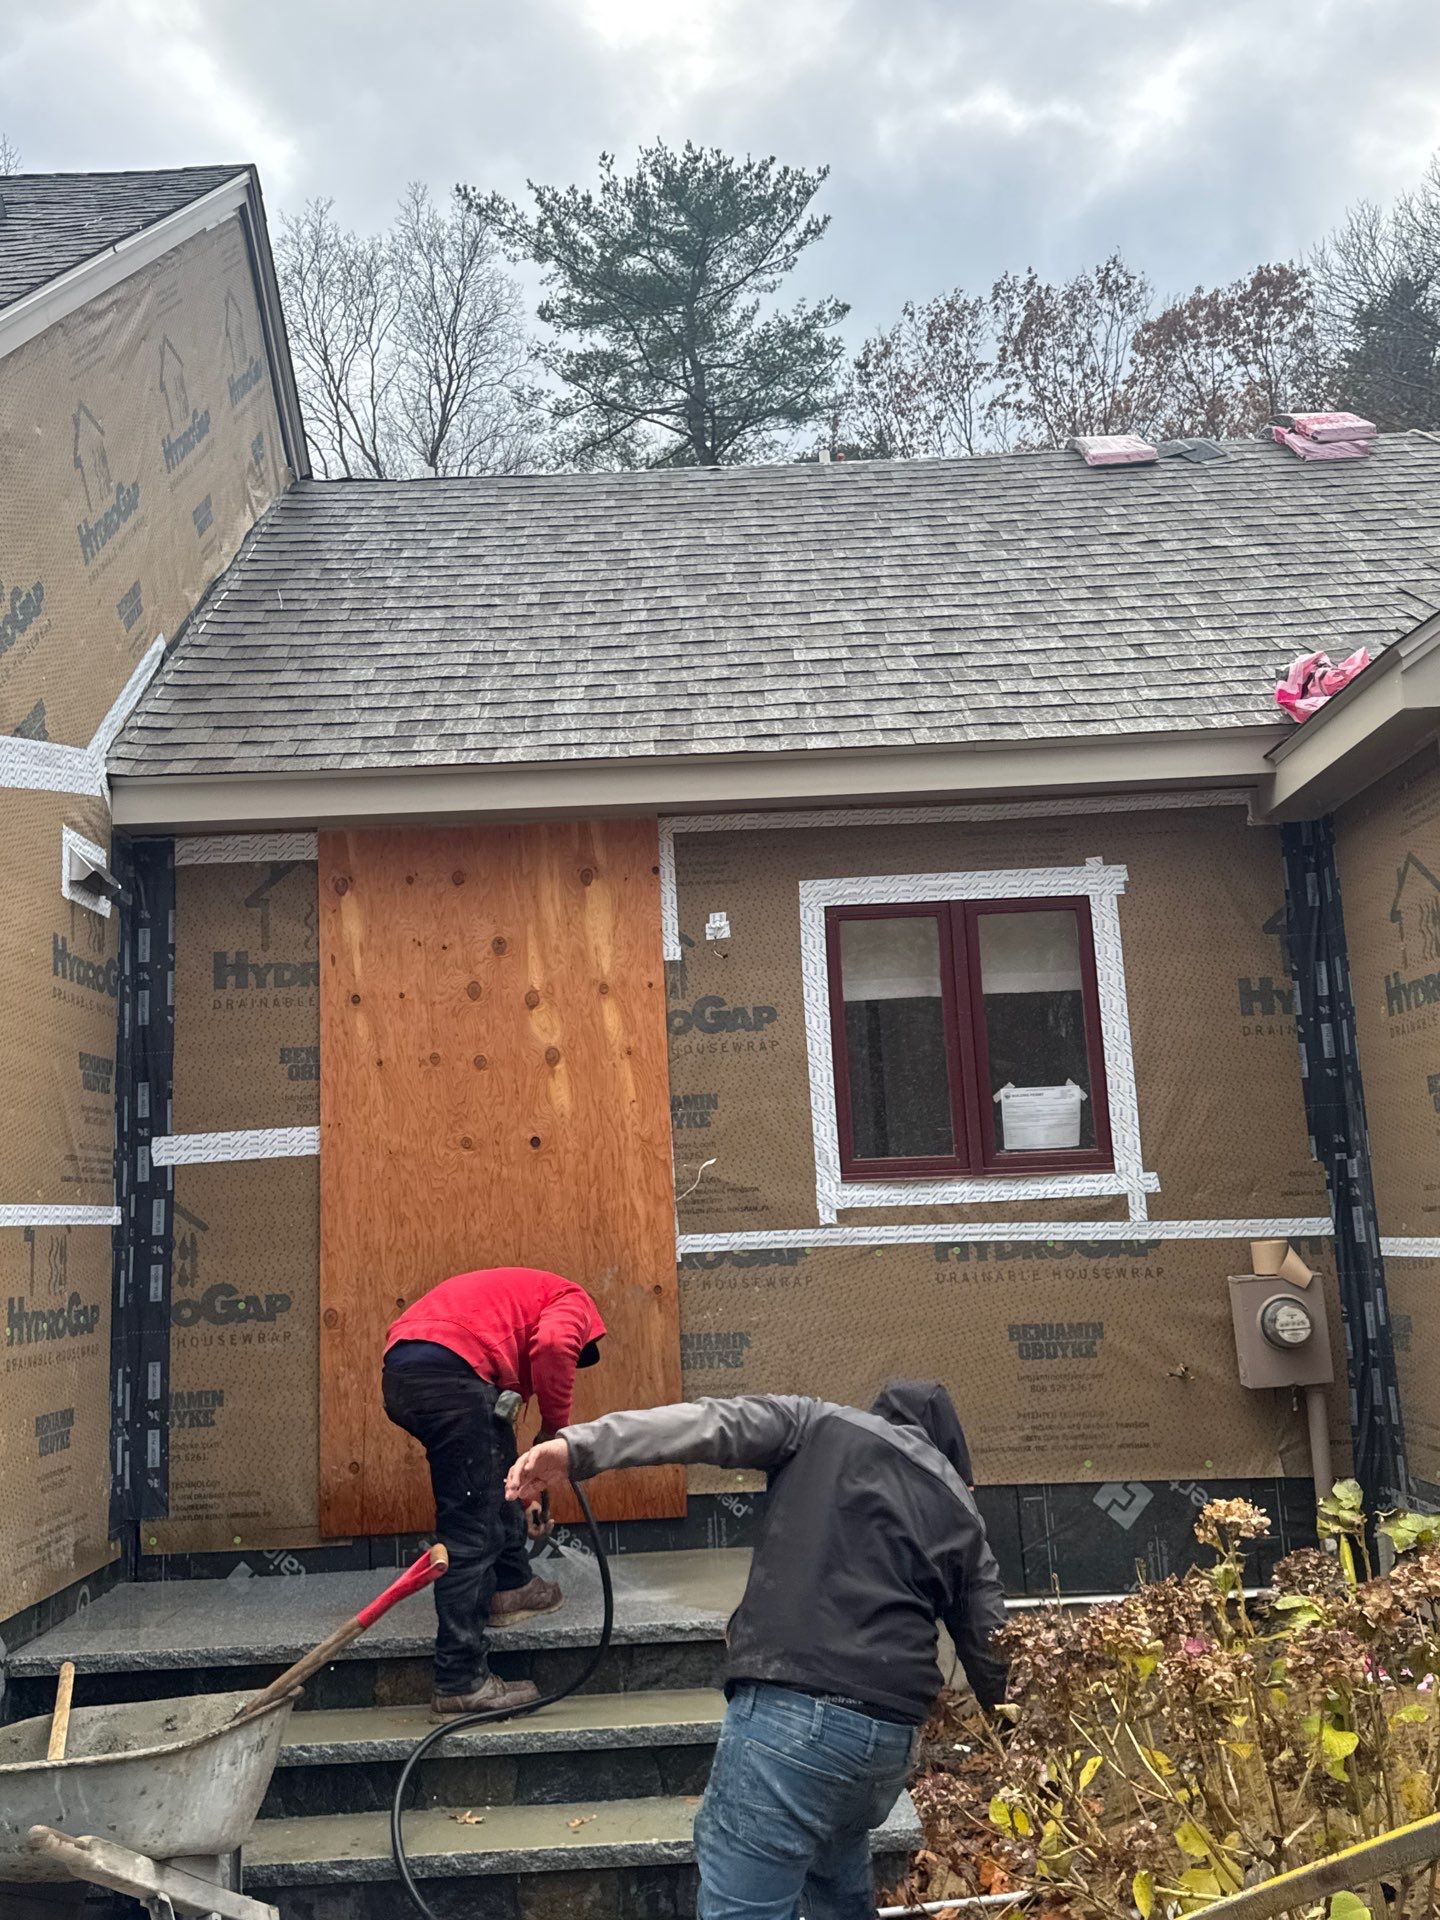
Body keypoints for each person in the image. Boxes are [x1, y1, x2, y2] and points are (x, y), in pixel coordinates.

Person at [508, 1378, 1007, 1920]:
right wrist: (1036, 1760)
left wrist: (577, 1448)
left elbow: (702, 1424)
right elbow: (995, 1655)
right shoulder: (959, 1505)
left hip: (790, 1728)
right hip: (886, 1747)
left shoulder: (816, 1425)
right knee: (834, 1887)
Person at [382, 1265, 606, 1715]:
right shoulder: (573, 1301)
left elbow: (492, 1467)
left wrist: (528, 1498)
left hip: (409, 1370)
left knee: (489, 1481)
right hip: (449, 1372)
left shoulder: (513, 1304)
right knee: (470, 1526)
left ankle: (511, 1586)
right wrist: (555, 1434)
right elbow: (555, 1345)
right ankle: (460, 1680)